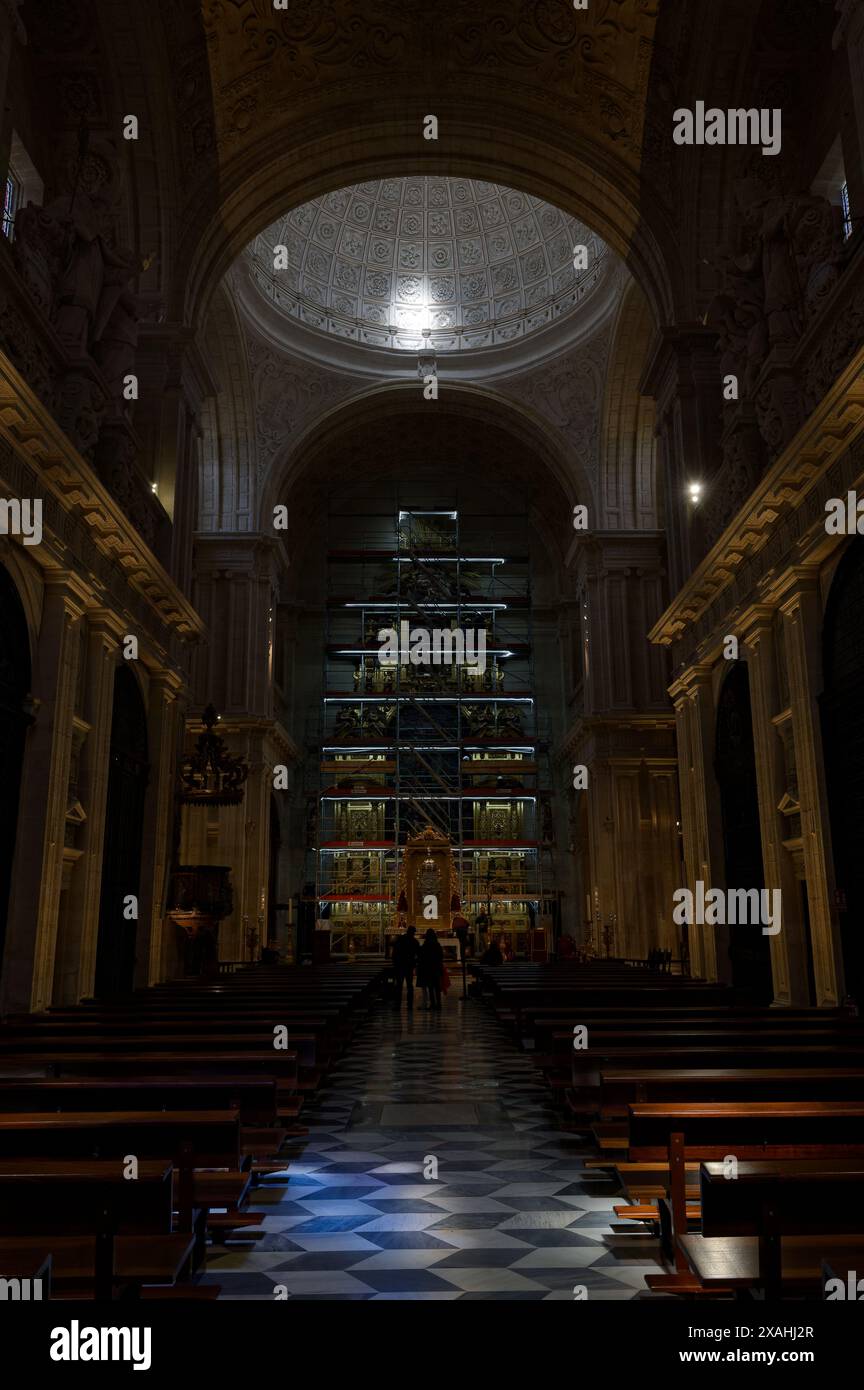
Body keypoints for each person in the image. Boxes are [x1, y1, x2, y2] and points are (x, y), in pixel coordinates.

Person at [391, 924, 419, 1010]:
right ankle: (409, 1005)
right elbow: (418, 954)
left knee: (399, 985)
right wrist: (415, 963)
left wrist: (395, 962)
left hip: (400, 965)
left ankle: (397, 1005)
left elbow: (394, 951)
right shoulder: (414, 941)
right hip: (409, 966)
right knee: (409, 985)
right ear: (413, 932)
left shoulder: (400, 939)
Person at [417, 927, 444, 1010]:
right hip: (436, 967)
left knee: (430, 987)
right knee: (437, 987)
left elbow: (422, 956)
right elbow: (441, 956)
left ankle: (432, 1004)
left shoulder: (425, 945)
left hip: (428, 968)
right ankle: (439, 1004)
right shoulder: (437, 945)